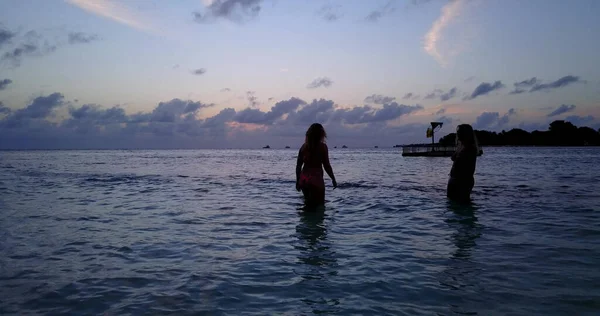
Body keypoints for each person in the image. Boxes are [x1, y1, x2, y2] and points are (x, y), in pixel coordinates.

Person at [296, 123, 337, 207]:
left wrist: (297, 181)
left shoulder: (303, 147)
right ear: (321, 134)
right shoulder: (322, 147)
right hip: (316, 179)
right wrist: (333, 178)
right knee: (320, 205)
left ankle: (306, 219)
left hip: (304, 179)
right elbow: (327, 166)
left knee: (307, 204)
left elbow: (298, 166)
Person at [447, 124, 478, 203]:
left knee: (462, 203)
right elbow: (454, 159)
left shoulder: (470, 148)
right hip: (454, 179)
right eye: (458, 132)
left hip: (463, 180)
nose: (458, 134)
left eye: (460, 132)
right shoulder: (461, 147)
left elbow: (468, 167)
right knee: (452, 203)